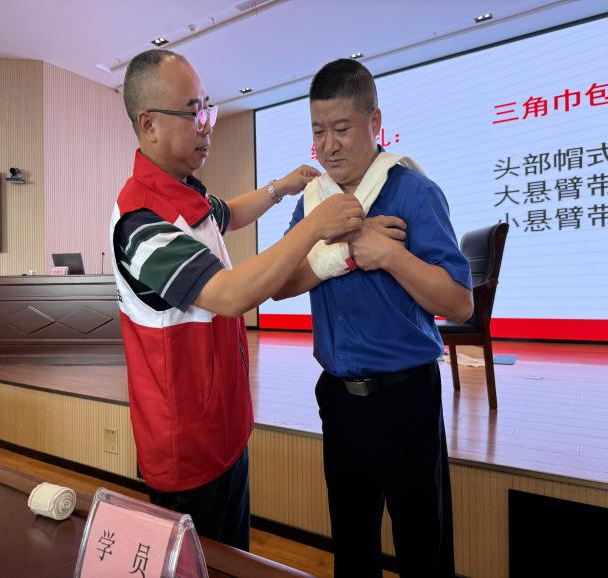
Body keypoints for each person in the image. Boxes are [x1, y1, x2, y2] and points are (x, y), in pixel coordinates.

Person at [109, 49, 364, 551]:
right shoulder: (140, 222)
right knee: (201, 562)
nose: (207, 127)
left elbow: (229, 213)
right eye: (193, 113)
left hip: (223, 426)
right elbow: (230, 296)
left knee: (236, 556)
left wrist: (280, 188)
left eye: (208, 110)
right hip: (186, 447)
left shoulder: (186, 193)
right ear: (149, 124)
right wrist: (316, 225)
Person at [274, 58, 473, 577]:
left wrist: (388, 254)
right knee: (352, 547)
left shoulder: (414, 192)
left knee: (423, 548)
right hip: (338, 398)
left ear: (375, 121)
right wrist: (341, 254)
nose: (329, 145)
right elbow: (280, 283)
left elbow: (459, 303)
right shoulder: (314, 202)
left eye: (342, 128)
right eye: (318, 131)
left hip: (405, 398)